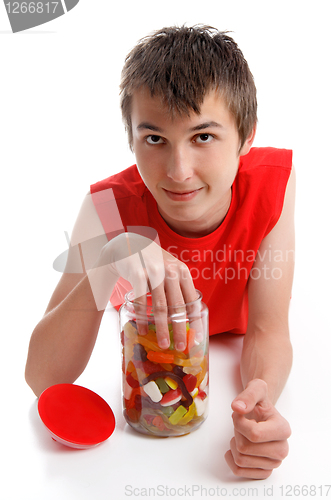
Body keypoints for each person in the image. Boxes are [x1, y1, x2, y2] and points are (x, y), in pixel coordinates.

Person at [25, 25, 295, 479]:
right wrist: (111, 256)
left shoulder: (272, 186)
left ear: (246, 136)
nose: (178, 171)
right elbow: (43, 376)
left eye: (203, 137)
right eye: (154, 139)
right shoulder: (106, 207)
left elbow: (269, 327)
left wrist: (261, 395)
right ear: (131, 139)